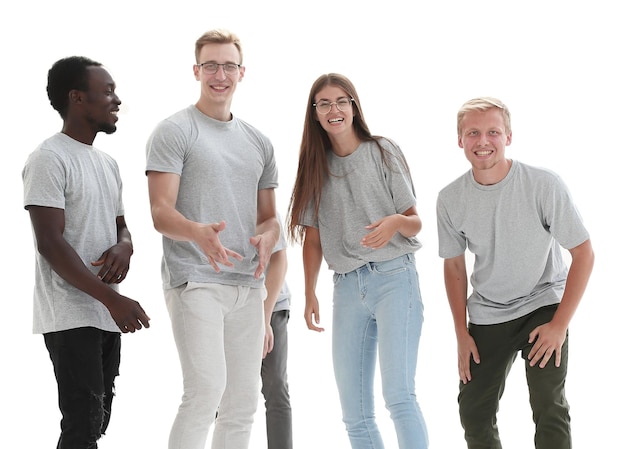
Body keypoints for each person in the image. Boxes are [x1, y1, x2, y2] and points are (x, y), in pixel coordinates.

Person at [145, 29, 279, 449]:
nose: (219, 74)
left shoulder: (259, 141)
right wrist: (198, 233)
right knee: (204, 393)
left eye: (228, 66)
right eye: (210, 65)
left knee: (242, 404)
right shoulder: (174, 131)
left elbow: (271, 218)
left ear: (242, 72)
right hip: (196, 279)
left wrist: (266, 238)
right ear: (196, 70)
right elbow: (160, 212)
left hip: (247, 286)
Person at [436, 97, 594, 449]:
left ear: (509, 136)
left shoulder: (543, 184)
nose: (483, 141)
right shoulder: (450, 198)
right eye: (473, 133)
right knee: (474, 414)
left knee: (548, 405)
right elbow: (454, 267)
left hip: (542, 305)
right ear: (459, 140)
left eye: (493, 132)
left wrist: (559, 326)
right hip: (489, 312)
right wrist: (461, 334)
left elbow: (583, 252)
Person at [287, 73, 429, 449]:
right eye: (324, 104)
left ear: (353, 106)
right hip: (346, 287)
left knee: (399, 396)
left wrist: (396, 222)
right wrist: (309, 292)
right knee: (355, 414)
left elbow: (414, 221)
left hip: (395, 278)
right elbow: (313, 239)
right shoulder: (314, 168)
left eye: (341, 101)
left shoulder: (382, 150)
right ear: (315, 114)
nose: (334, 109)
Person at [22, 56, 151, 449]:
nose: (116, 101)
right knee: (81, 424)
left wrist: (125, 246)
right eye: (108, 91)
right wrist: (112, 299)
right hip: (71, 313)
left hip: (104, 311)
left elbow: (121, 225)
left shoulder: (108, 163)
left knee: (96, 424)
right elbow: (50, 243)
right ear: (77, 98)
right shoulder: (48, 158)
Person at [260, 216, 292, 449]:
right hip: (228, 305)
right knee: (224, 392)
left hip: (272, 303)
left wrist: (265, 319)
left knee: (276, 385)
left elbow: (280, 258)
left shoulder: (261, 196)